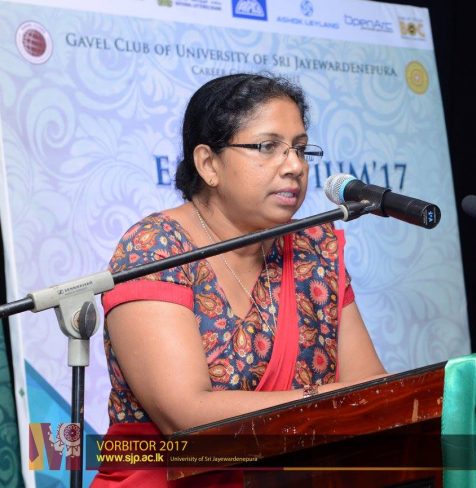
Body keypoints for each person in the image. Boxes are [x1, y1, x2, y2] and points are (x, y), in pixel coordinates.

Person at [92, 73, 386, 486]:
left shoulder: (313, 249)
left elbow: (376, 396)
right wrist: (319, 402)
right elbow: (187, 416)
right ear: (209, 164)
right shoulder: (156, 248)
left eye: (300, 149)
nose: (295, 166)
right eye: (268, 147)